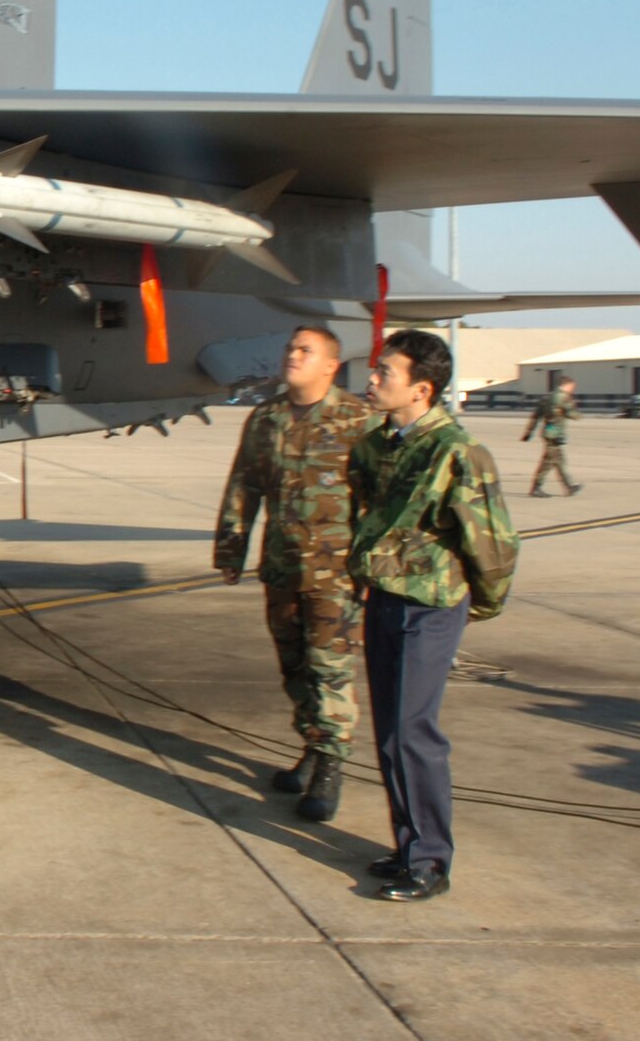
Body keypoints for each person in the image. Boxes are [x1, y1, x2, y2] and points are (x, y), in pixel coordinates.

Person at [349, 329, 519, 902]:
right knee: (391, 733)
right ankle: (408, 844)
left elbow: (492, 541)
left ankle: (429, 860)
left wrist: (483, 601)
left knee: (414, 731)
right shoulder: (377, 445)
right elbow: (366, 516)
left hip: (431, 603)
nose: (372, 380)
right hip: (387, 598)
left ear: (421, 389)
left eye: (384, 373)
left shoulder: (458, 453)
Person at [215, 325, 381, 821]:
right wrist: (231, 549)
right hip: (283, 567)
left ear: (331, 365)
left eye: (305, 350)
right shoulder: (265, 418)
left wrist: (375, 569)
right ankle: (312, 744)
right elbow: (244, 486)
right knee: (293, 668)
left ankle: (331, 766)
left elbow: (379, 501)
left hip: (337, 575)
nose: (293, 355)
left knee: (330, 670)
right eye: (290, 347)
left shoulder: (359, 419)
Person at [521, 377, 580, 497]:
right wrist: (573, 408)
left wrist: (529, 432)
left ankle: (568, 486)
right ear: (567, 385)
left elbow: (535, 416)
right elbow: (574, 415)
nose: (572, 389)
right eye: (572, 387)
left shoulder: (546, 397)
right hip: (555, 434)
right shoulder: (563, 397)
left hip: (548, 432)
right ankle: (537, 488)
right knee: (552, 461)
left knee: (554, 460)